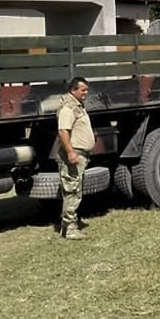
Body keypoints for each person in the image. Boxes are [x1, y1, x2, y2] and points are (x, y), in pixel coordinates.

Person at [55, 76, 93, 240]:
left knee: (75, 190)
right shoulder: (68, 108)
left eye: (86, 90)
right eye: (83, 90)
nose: (86, 93)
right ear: (73, 90)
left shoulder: (77, 106)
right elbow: (63, 131)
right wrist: (71, 152)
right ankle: (69, 229)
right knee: (72, 191)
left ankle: (70, 225)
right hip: (74, 154)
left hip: (79, 154)